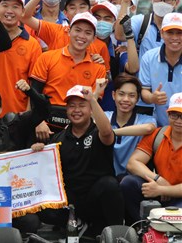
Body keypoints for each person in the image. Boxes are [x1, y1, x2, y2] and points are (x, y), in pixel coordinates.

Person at [37, 85, 124, 234]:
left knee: (110, 185)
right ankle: (79, 225)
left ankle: (116, 233)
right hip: (71, 202)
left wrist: (93, 100)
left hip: (97, 198)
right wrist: (37, 150)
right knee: (42, 202)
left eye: (82, 105)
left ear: (91, 109)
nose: (76, 110)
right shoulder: (57, 139)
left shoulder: (98, 133)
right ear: (66, 110)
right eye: (72, 106)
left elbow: (106, 132)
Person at [0, 80, 50, 235]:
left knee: (32, 222)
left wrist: (30, 91)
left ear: (0, 109)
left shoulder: (14, 124)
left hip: (17, 198)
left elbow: (44, 110)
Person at [30, 12, 107, 138]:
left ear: (94, 38)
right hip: (45, 128)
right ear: (69, 31)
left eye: (88, 33)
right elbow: (34, 93)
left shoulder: (99, 68)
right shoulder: (47, 57)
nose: (82, 36)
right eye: (78, 30)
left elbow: (94, 104)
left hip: (79, 129)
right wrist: (38, 121)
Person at [121, 92, 182, 222]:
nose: (178, 121)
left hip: (177, 195)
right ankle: (144, 227)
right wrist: (157, 179)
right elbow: (132, 163)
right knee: (129, 183)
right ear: (168, 114)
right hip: (158, 189)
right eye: (174, 115)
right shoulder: (158, 134)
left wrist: (162, 189)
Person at [103, 75, 156, 179]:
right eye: (121, 94)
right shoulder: (105, 117)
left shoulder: (145, 120)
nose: (126, 99)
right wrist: (95, 95)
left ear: (137, 99)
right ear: (113, 95)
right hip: (107, 178)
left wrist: (111, 132)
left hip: (133, 178)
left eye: (132, 95)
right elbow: (89, 118)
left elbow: (149, 128)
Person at [114, 0, 179, 59]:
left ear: (176, 3)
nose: (162, 2)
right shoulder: (141, 22)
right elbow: (120, 36)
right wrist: (125, 1)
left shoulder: (180, 25)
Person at [139, 12, 182, 127]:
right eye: (170, 32)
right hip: (159, 125)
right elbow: (144, 90)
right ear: (162, 33)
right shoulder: (149, 57)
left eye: (179, 33)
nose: (175, 37)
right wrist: (152, 98)